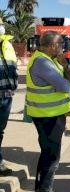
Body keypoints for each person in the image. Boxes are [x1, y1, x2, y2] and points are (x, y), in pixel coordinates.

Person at [26, 31, 70, 192]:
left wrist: (66, 67)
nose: (62, 48)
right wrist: (67, 76)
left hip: (49, 115)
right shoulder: (42, 62)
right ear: (52, 46)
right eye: (60, 45)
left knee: (46, 153)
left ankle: (41, 190)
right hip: (48, 116)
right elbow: (67, 86)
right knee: (52, 156)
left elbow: (68, 77)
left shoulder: (49, 60)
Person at [0, 17, 18, 176]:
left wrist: (14, 85)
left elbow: (13, 66)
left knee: (0, 131)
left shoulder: (7, 44)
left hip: (6, 95)